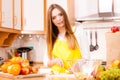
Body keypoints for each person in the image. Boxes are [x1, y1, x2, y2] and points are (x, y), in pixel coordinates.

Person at [46, 4, 82, 73]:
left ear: (64, 15)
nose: (58, 19)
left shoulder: (77, 32)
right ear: (51, 21)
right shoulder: (52, 38)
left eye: (60, 14)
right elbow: (46, 62)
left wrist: (77, 65)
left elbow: (86, 56)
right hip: (56, 76)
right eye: (54, 17)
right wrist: (54, 61)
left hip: (73, 76)